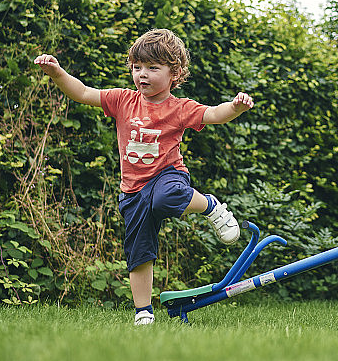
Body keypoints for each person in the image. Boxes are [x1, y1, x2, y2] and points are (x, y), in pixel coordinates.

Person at [34, 28, 253, 325]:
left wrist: (236, 107)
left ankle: (210, 206)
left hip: (167, 175)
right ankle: (143, 312)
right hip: (133, 190)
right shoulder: (123, 100)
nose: (142, 75)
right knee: (138, 253)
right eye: (137, 67)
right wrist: (57, 73)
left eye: (152, 68)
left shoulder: (179, 107)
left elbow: (214, 114)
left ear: (174, 73)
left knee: (166, 197)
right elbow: (84, 93)